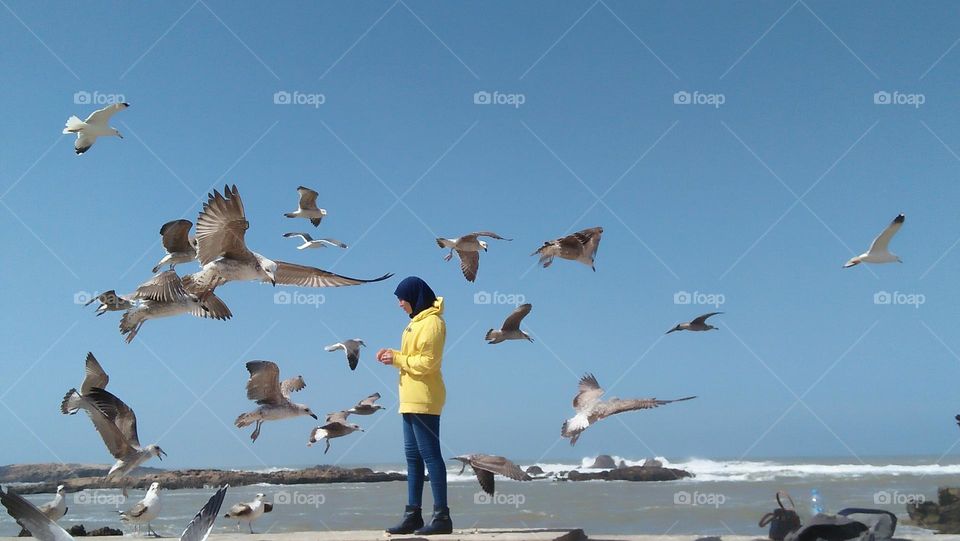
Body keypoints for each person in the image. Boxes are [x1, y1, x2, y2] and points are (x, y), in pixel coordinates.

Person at [377, 276, 452, 535]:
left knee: (431, 456)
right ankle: (413, 516)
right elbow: (412, 359)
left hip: (425, 398)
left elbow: (428, 363)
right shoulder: (415, 323)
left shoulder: (432, 323)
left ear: (414, 297)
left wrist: (397, 358)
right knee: (413, 458)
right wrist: (393, 356)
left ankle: (442, 518)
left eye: (402, 299)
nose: (399, 304)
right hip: (409, 398)